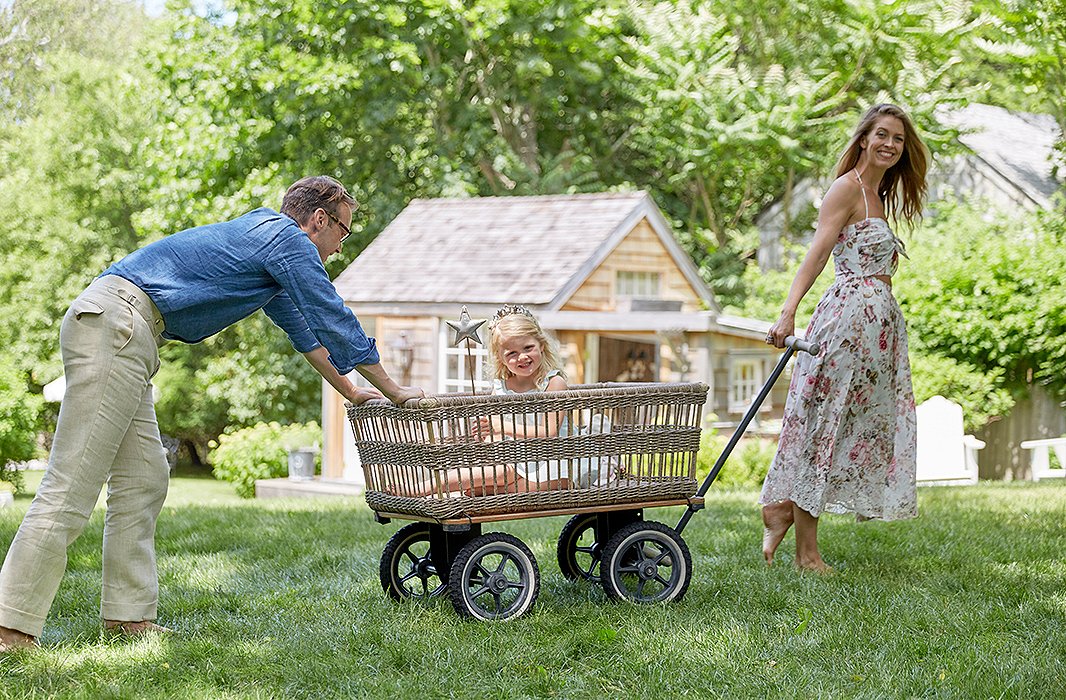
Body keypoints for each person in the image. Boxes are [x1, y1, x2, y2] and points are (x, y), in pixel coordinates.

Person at [0, 176, 423, 652]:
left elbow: (308, 333)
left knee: (143, 478)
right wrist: (393, 389)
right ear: (319, 219)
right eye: (343, 232)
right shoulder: (286, 238)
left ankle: (128, 617)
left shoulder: (271, 255)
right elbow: (333, 315)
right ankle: (9, 626)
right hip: (116, 324)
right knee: (73, 479)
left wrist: (351, 390)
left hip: (128, 332)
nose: (340, 248)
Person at [759, 104, 928, 572]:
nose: (889, 145)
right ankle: (806, 553)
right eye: (881, 135)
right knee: (824, 424)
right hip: (846, 324)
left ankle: (782, 511)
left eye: (897, 138)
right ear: (862, 139)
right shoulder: (846, 189)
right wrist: (787, 312)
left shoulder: (877, 194)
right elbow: (816, 254)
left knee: (853, 427)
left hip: (876, 332)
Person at [412, 305, 571, 497]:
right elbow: (495, 436)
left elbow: (549, 431)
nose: (522, 357)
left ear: (541, 346)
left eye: (528, 348)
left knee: (484, 483)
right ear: (500, 358)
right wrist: (487, 435)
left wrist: (501, 426)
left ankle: (423, 489)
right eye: (511, 353)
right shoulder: (500, 388)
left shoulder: (553, 383)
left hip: (551, 468)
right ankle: (431, 488)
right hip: (514, 466)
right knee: (481, 484)